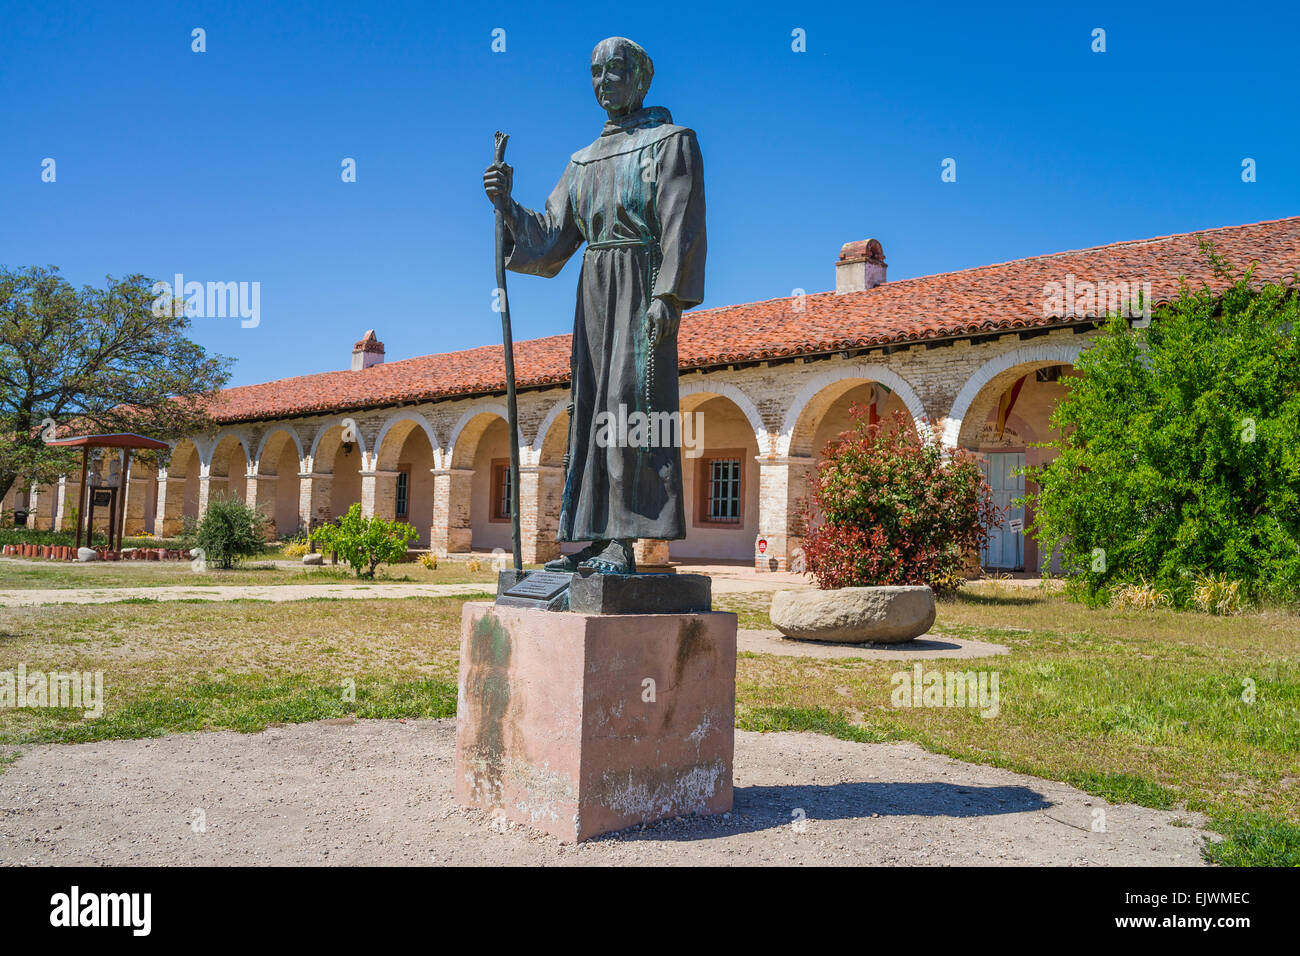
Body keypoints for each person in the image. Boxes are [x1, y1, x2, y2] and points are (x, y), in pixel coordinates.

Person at [483, 37, 706, 574]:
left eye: (616, 70)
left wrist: (668, 296)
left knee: (630, 404)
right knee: (590, 406)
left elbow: (683, 225)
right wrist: (507, 204)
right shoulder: (582, 161)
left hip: (644, 281)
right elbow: (552, 238)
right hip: (594, 291)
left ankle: (627, 539)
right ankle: (593, 535)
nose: (604, 81)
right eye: (595, 72)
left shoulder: (672, 142)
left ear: (642, 78)